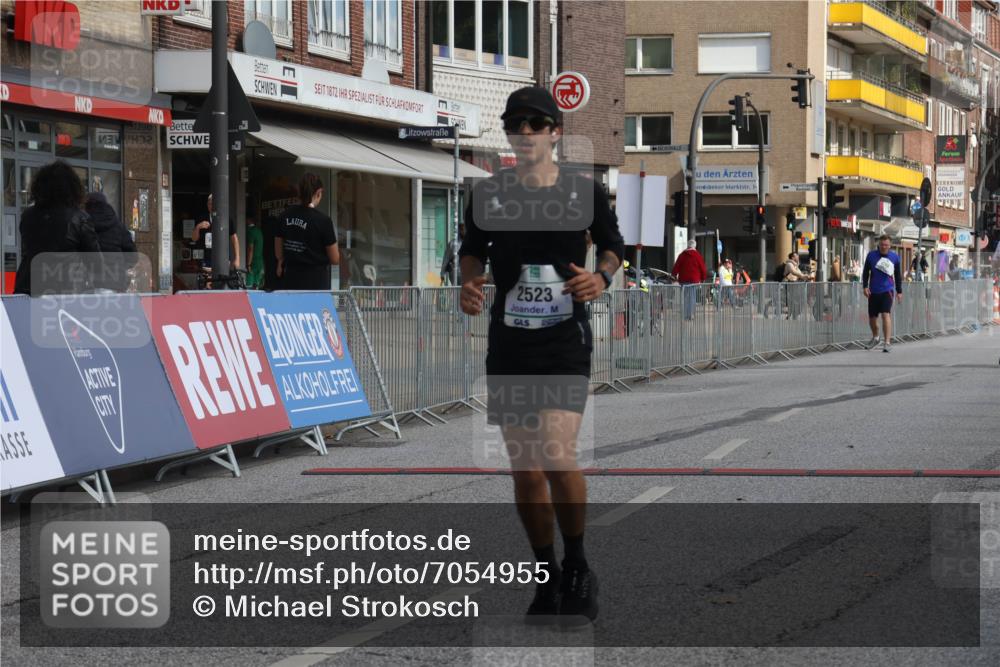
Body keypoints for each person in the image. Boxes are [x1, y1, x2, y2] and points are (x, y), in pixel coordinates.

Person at [459, 86, 624, 626]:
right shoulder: (489, 194)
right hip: (509, 344)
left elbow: (612, 246)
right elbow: (471, 251)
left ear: (556, 131)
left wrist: (601, 277)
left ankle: (577, 565)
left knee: (556, 457)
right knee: (526, 472)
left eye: (536, 124)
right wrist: (468, 284)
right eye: (516, 125)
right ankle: (546, 574)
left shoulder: (585, 191)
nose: (525, 133)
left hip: (562, 342)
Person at [14, 160, 102, 296]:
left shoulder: (27, 215)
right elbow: (95, 262)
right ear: (73, 188)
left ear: (39, 187)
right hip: (67, 291)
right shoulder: (79, 218)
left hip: (29, 288)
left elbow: (28, 250)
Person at [275, 173, 340, 290]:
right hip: (316, 282)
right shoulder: (323, 221)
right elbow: (335, 259)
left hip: (291, 279)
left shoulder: (284, 215)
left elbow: (278, 253)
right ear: (319, 192)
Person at [85, 191, 137, 292]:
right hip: (115, 283)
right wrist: (121, 268)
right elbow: (133, 256)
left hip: (90, 283)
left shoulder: (84, 224)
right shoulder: (118, 225)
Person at [862, 234, 903, 352]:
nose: (884, 247)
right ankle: (876, 338)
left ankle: (887, 342)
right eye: (882, 245)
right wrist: (865, 286)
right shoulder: (871, 256)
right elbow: (865, 273)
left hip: (887, 290)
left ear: (890, 245)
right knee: (872, 318)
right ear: (878, 245)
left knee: (886, 314)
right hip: (873, 291)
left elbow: (898, 276)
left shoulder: (894, 257)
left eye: (886, 245)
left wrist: (899, 291)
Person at [191, 193, 241, 276]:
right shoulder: (201, 218)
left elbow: (234, 238)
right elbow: (194, 239)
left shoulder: (226, 219)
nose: (212, 206)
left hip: (223, 259)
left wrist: (237, 258)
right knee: (207, 284)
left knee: (222, 283)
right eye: (210, 204)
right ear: (207, 205)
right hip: (206, 259)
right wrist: (198, 227)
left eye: (215, 204)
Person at [672, 239, 707, 320]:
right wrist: (703, 278)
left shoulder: (682, 255)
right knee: (692, 297)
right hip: (694, 280)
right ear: (695, 246)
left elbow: (676, 266)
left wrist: (673, 275)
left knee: (685, 297)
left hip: (683, 279)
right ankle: (690, 314)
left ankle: (685, 315)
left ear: (688, 245)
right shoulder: (697, 255)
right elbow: (703, 268)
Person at [245, 206, 264, 289]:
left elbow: (250, 249)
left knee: (250, 288)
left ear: (248, 219)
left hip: (253, 263)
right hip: (260, 262)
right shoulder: (259, 231)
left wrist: (248, 264)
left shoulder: (250, 232)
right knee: (258, 287)